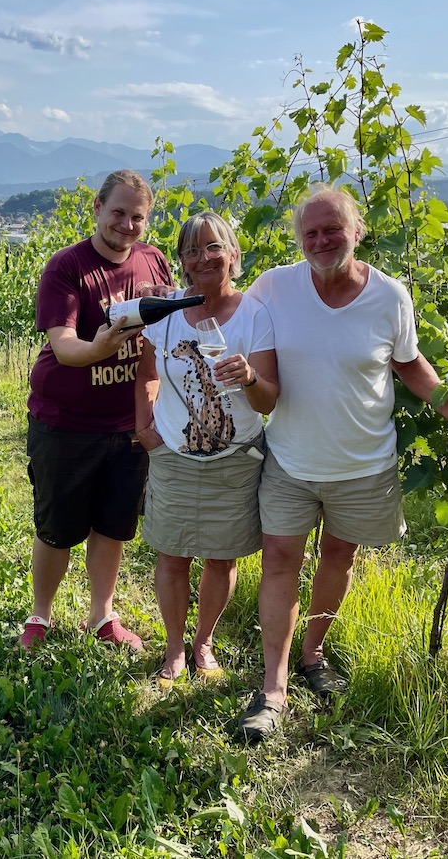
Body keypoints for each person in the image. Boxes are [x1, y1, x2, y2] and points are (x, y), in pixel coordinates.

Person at [236, 185, 448, 742]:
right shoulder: (274, 286)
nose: (322, 240)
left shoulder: (389, 297)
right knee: (279, 559)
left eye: (333, 229)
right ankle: (272, 686)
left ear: (357, 230)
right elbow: (229, 311)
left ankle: (313, 655)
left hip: (362, 463)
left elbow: (408, 362)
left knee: (338, 557)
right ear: (299, 239)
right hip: (289, 459)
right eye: (311, 232)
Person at [19, 169, 175, 651]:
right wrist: (103, 345)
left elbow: (166, 335)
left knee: (113, 524)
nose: (127, 225)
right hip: (65, 422)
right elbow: (65, 347)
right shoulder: (68, 267)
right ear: (97, 208)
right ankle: (40, 615)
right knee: (58, 528)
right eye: (118, 213)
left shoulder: (154, 263)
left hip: (127, 425)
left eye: (137, 217)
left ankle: (101, 616)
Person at [134, 211, 279, 687]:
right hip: (174, 455)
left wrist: (251, 378)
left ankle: (204, 642)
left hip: (234, 460)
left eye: (213, 247)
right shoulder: (167, 310)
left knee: (221, 558)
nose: (203, 258)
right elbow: (147, 371)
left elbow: (268, 398)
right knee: (172, 556)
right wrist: (146, 426)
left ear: (232, 254)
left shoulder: (255, 314)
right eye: (192, 250)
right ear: (182, 262)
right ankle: (175, 647)